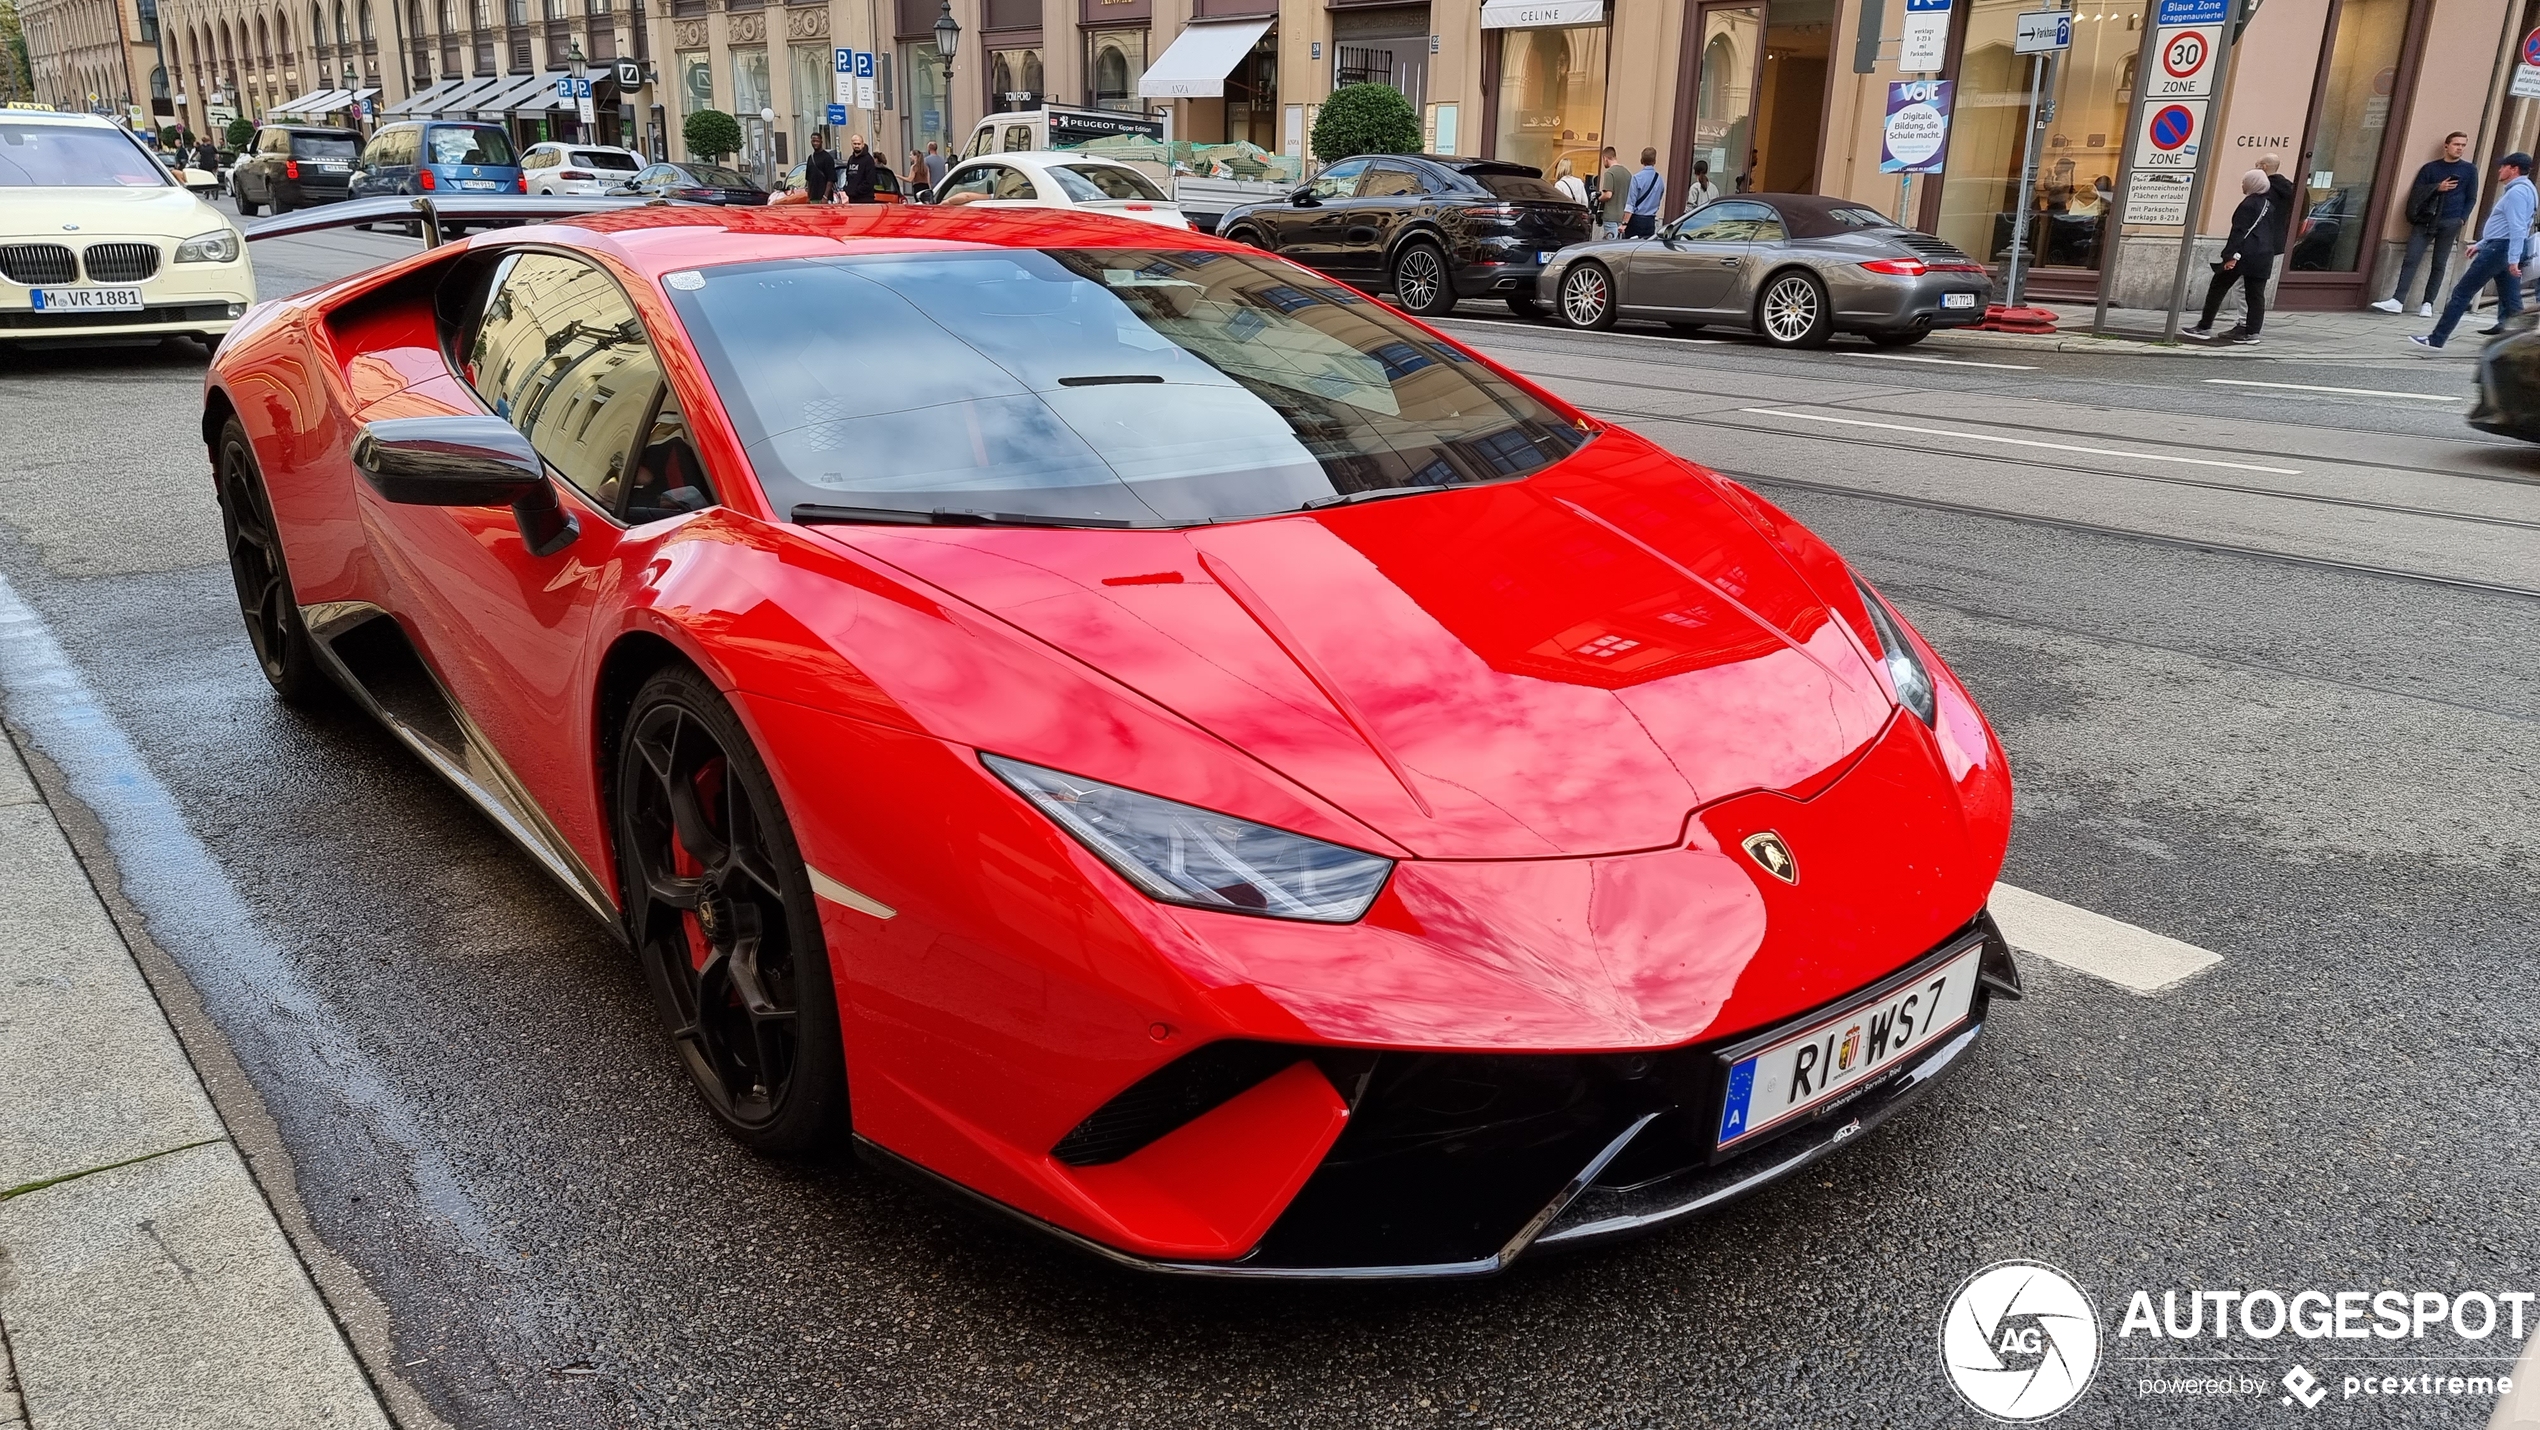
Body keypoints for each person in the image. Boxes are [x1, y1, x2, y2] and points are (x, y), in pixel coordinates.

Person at [2415, 152, 2535, 349]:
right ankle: (2524, 344)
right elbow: (2509, 226)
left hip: (2500, 250)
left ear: (2513, 169)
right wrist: (2480, 244)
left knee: (2462, 293)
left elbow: (2517, 227)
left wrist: (2513, 258)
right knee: (2512, 301)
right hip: (2502, 247)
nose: (2500, 170)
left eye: (2504, 166)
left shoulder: (2517, 193)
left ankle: (2436, 339)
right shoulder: (2527, 190)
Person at [2374, 132, 2478, 317]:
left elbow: (2471, 198)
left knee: (2439, 263)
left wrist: (2462, 218)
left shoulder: (2469, 170)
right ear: (2446, 146)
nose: (2460, 148)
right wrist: (2437, 188)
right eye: (2456, 144)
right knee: (2411, 258)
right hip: (2426, 219)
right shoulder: (2430, 168)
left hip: (2451, 221)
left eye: (2463, 145)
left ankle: (2428, 303)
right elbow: (2417, 192)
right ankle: (2398, 300)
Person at [2184, 169, 2278, 345]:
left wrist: (2230, 256)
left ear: (2252, 184)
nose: (2242, 184)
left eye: (2245, 181)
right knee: (2256, 295)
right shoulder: (2269, 205)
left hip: (2244, 254)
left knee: (2217, 287)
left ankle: (2204, 327)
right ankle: (2252, 333)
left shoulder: (2248, 205)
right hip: (2264, 254)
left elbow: (2239, 232)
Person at [1623, 147, 1665, 239]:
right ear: (1655, 161)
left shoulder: (1636, 178)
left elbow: (1630, 204)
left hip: (1636, 220)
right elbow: (1659, 198)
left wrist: (1624, 223)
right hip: (1650, 220)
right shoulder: (1659, 179)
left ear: (1641, 160)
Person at [1598, 145, 1631, 239]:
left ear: (1605, 158)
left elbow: (1608, 195)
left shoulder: (1609, 173)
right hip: (1623, 217)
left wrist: (1599, 198)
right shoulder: (1627, 173)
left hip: (1610, 216)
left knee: (1609, 247)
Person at [841, 133, 877, 203]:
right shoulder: (851, 159)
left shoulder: (868, 160)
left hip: (865, 199)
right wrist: (847, 189)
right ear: (851, 144)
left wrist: (855, 190)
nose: (856, 146)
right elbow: (848, 177)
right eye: (854, 144)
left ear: (863, 144)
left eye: (858, 144)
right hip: (852, 199)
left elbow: (870, 181)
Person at [804, 130, 837, 203]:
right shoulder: (810, 158)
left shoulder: (827, 158)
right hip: (813, 197)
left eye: (817, 141)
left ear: (821, 142)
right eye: (813, 141)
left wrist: (825, 196)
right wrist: (809, 196)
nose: (815, 143)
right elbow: (808, 179)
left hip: (824, 198)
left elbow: (830, 179)